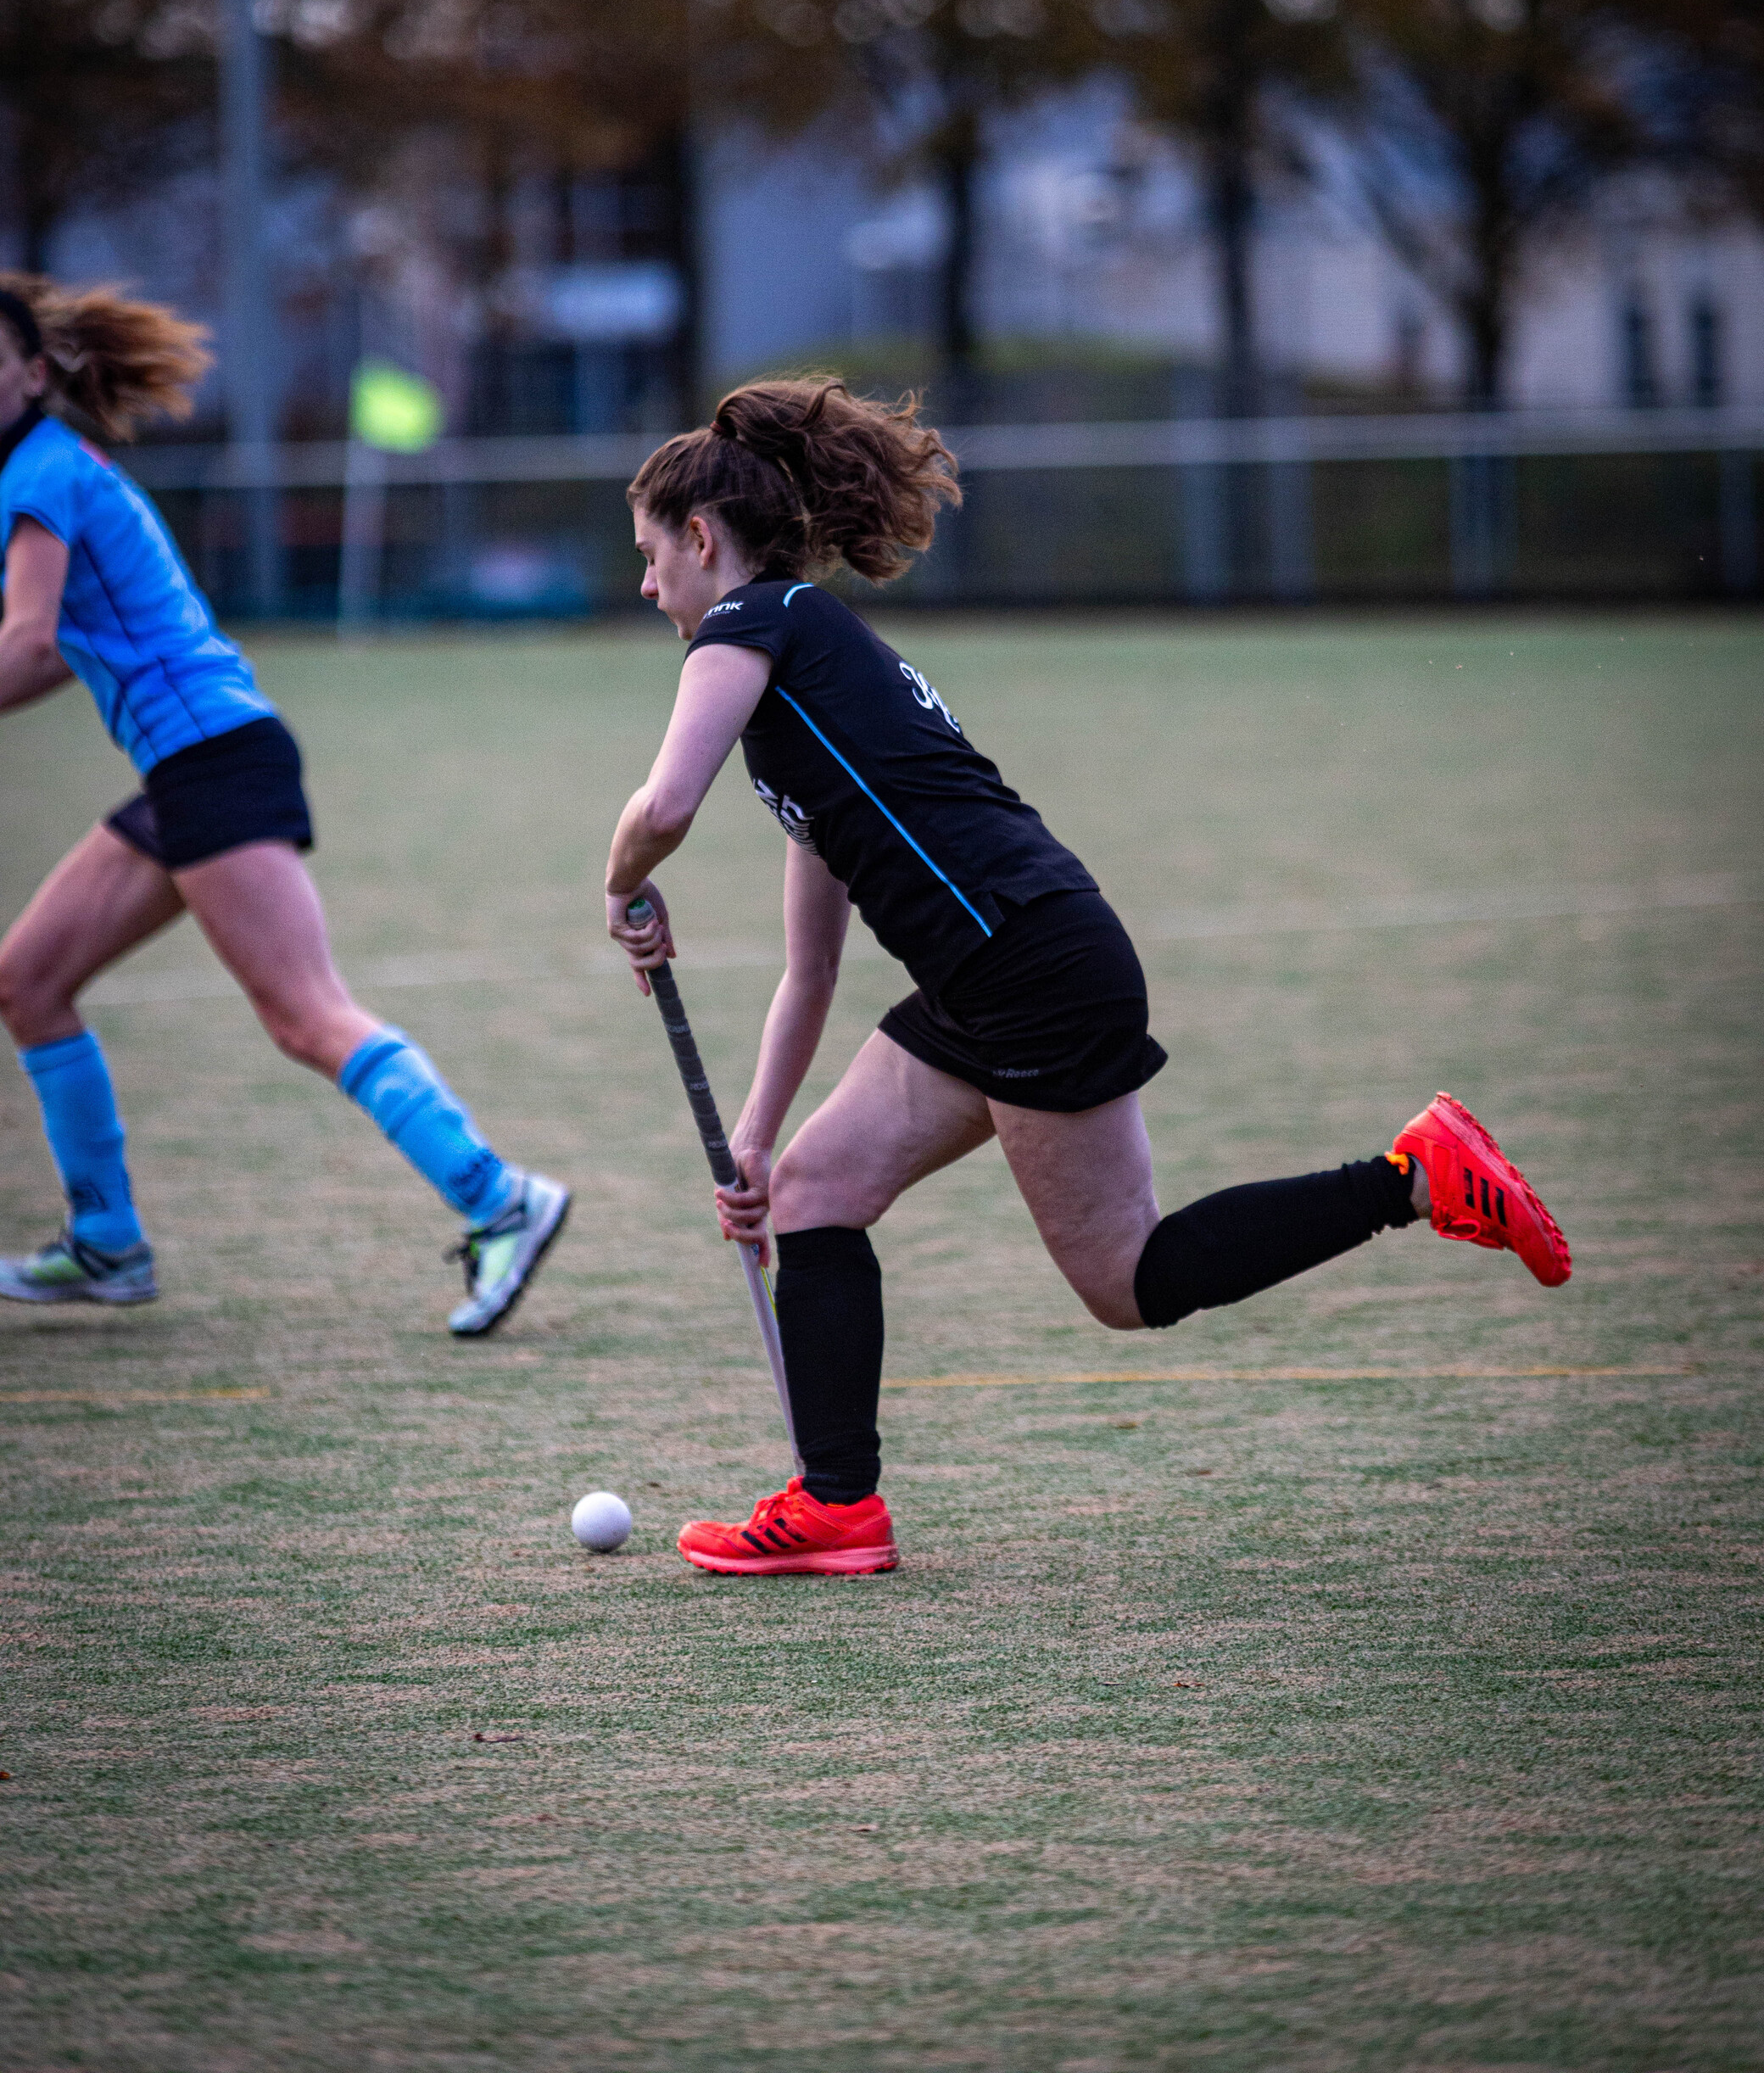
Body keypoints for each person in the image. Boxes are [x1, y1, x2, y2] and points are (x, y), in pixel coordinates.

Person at [605, 377, 1571, 1578]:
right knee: (809, 1190)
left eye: (651, 556)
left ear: (702, 541)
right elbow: (811, 968)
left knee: (1128, 1281)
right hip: (1003, 966)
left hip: (1027, 967)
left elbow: (663, 806)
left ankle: (1412, 1179)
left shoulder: (759, 627)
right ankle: (835, 1508)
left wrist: (620, 884)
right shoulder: (806, 688)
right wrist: (752, 1136)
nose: (647, 588)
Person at [0, 274, 567, 1334]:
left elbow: (27, 640)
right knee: (29, 979)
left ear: (34, 374)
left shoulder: (33, 475)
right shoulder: (48, 468)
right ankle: (107, 1241)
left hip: (214, 759)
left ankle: (502, 1200)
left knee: (305, 1015)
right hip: (191, 767)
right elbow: (59, 657)